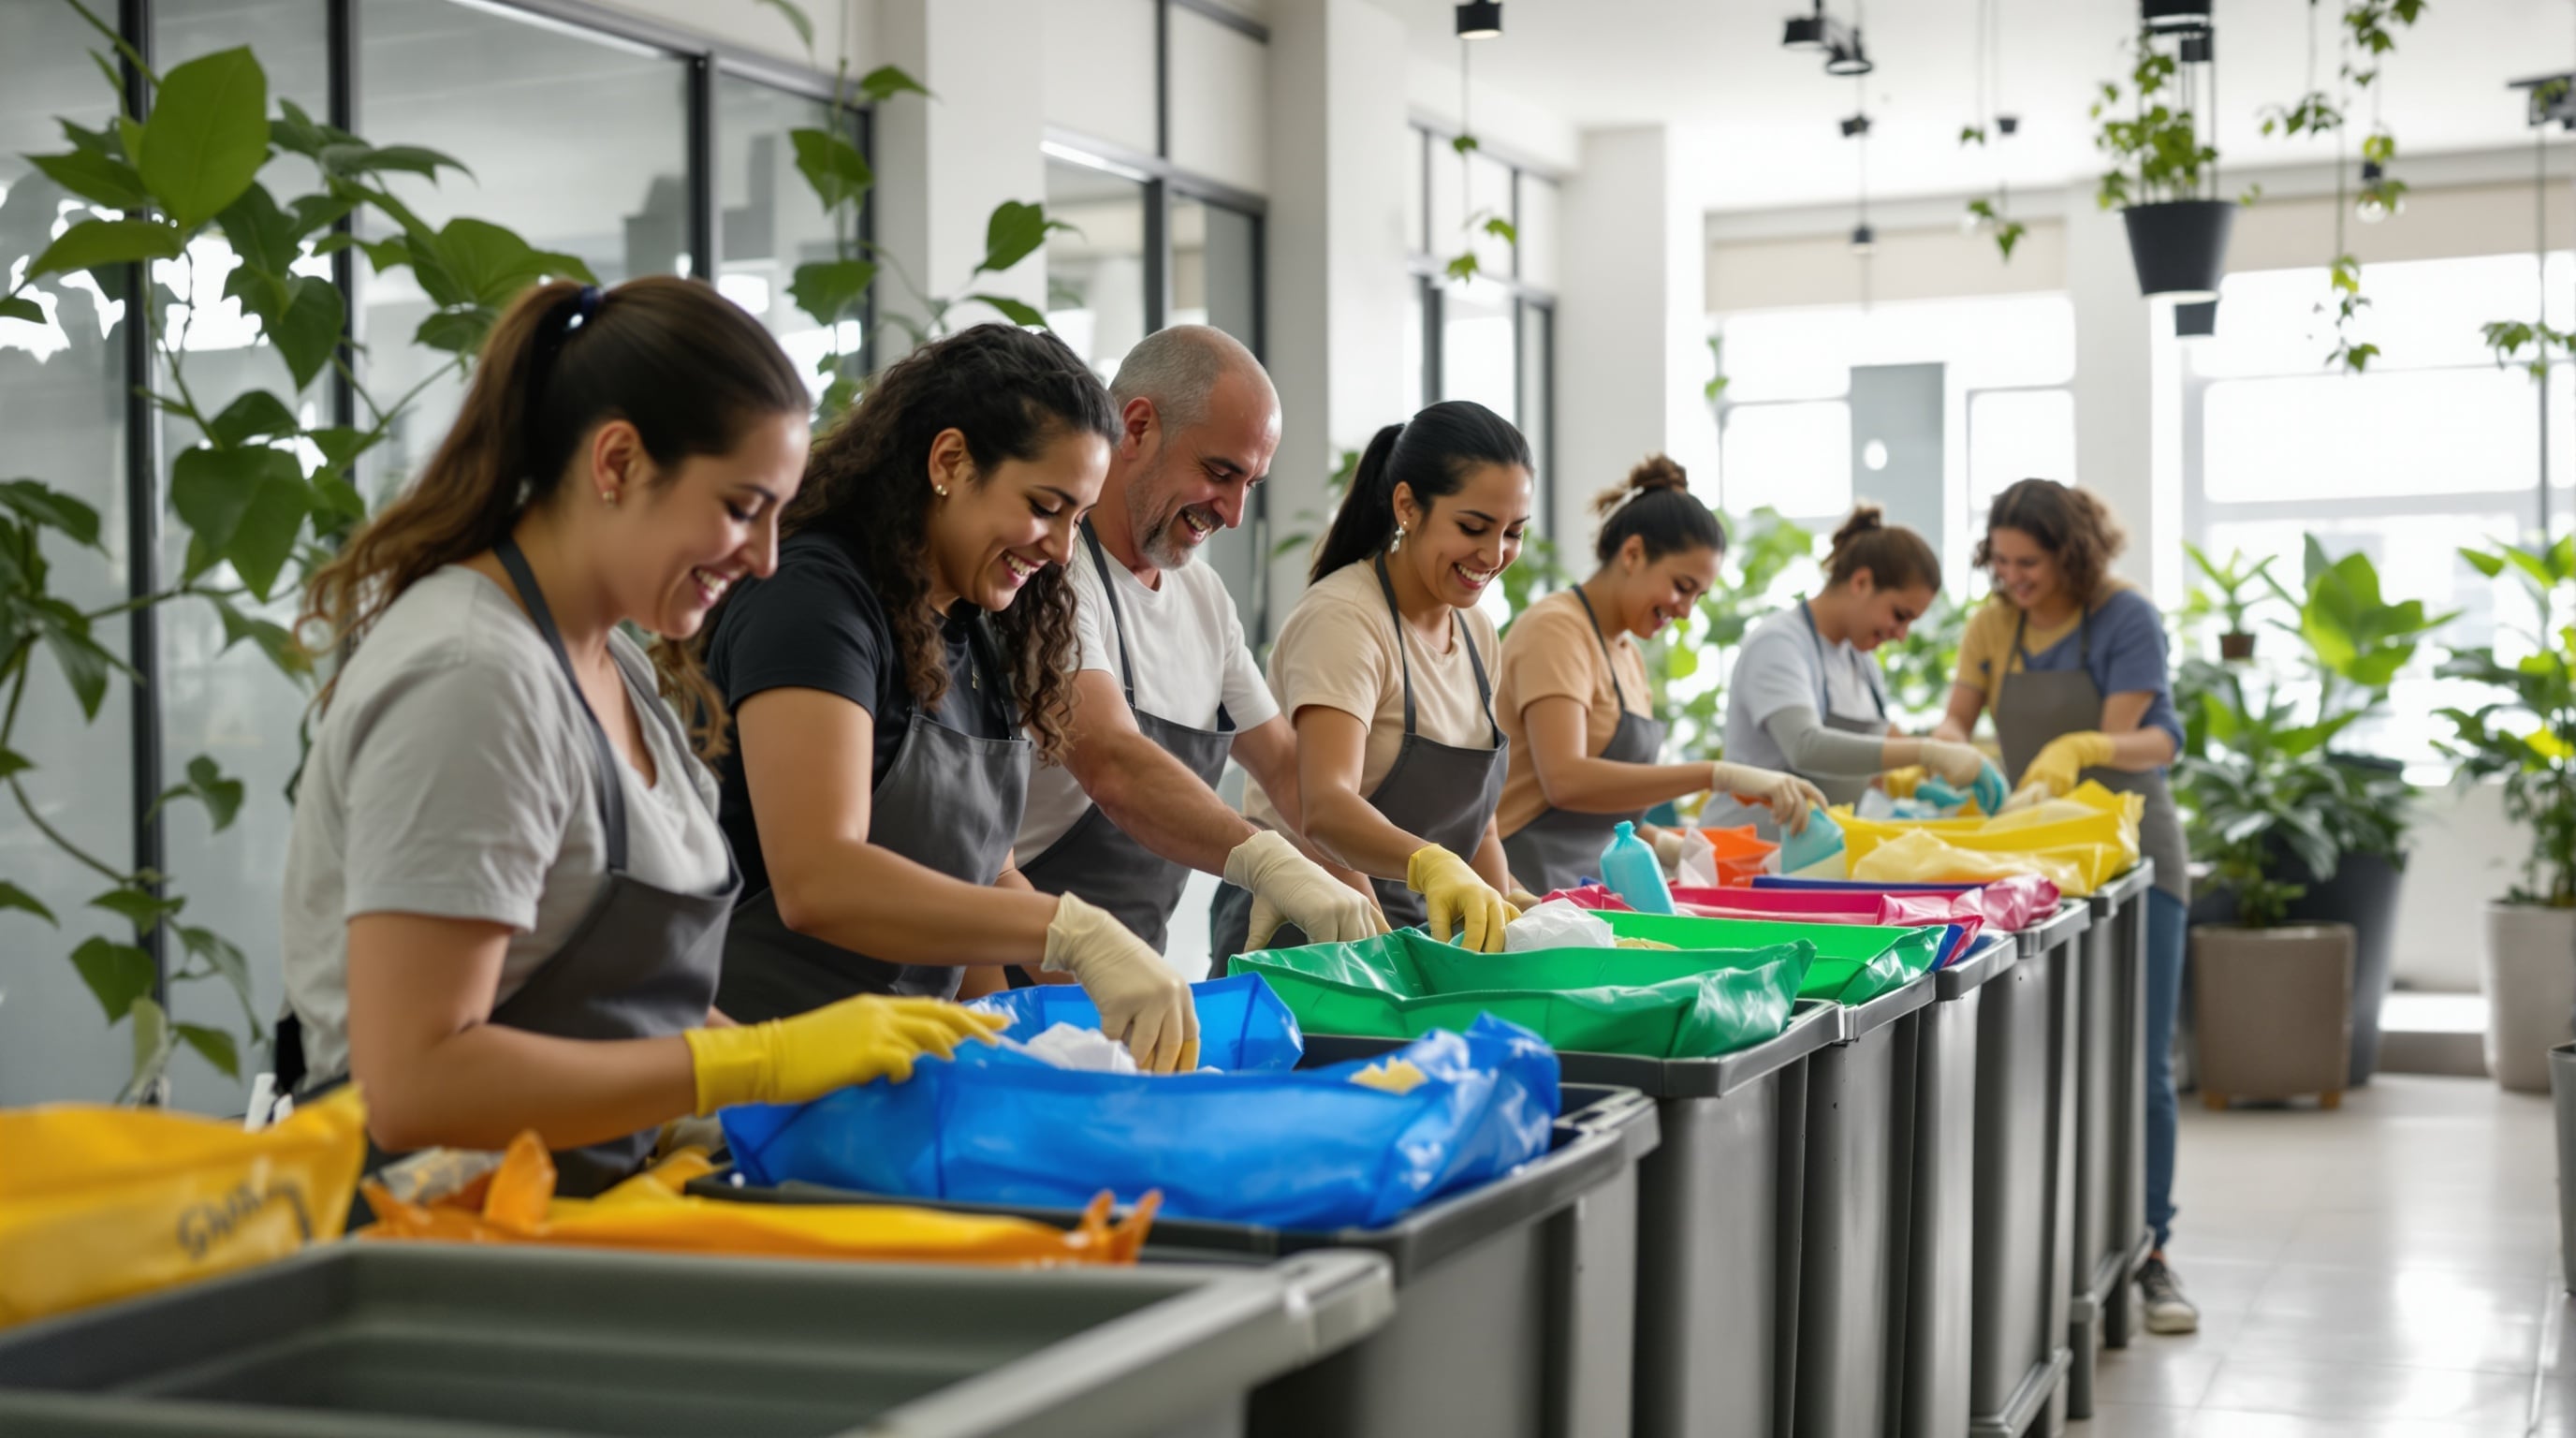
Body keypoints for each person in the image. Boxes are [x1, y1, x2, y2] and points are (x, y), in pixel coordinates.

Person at [279, 278, 1002, 1196]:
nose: (766, 559)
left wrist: (804, 1089)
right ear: (617, 462)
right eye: (742, 507)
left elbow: (625, 998)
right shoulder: (473, 677)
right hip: (429, 1244)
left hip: (567, 1210)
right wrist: (753, 1067)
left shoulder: (610, 664)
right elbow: (416, 1082)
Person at [687, 323, 1201, 1073]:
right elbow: (818, 878)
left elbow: (980, 873)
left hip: (890, 1083)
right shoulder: (812, 601)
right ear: (951, 461)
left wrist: (1061, 1021)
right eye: (1045, 505)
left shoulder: (978, 625)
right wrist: (1071, 928)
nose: (1062, 550)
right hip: (758, 1079)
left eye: (1079, 519)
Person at [1010, 326, 1384, 962]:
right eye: (1219, 472)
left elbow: (1291, 783)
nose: (1234, 513)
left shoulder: (1204, 598)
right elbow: (1113, 764)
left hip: (1135, 983)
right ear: (1135, 427)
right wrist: (1265, 862)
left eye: (1252, 484)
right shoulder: (1050, 576)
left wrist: (1377, 931)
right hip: (1022, 973)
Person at [1933, 477, 2196, 1334]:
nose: (2013, 578)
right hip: (2040, 864)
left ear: (2071, 555)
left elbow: (2149, 736)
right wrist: (1931, 763)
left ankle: (2152, 1251)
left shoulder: (2125, 617)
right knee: (2050, 1063)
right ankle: (2064, 1250)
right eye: (2000, 562)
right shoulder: (1993, 625)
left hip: (2133, 857)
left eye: (2029, 563)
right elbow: (1956, 724)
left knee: (2140, 1060)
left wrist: (2084, 743)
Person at [1211, 400, 1530, 957]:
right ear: (1407, 506)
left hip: (1417, 939)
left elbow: (1478, 826)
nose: (1494, 553)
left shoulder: (1478, 632)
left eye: (1513, 532)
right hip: (1313, 934)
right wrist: (1425, 877)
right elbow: (1326, 807)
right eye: (1474, 527)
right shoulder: (1346, 619)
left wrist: (1500, 915)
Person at [1495, 455, 1822, 895]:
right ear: (1632, 554)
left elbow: (1601, 815)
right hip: (1523, 883)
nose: (1686, 611)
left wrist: (1671, 846)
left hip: (1587, 885)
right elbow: (1566, 782)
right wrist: (1715, 774)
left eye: (1698, 597)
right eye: (1682, 587)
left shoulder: (1627, 654)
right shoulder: (1556, 630)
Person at [1715, 505, 1993, 832]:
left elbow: (1871, 754)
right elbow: (1806, 747)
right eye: (1900, 615)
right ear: (1861, 582)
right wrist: (1929, 752)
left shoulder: (1861, 661)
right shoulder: (1779, 644)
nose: (1901, 636)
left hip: (1808, 853)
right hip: (1747, 848)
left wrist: (1915, 785)